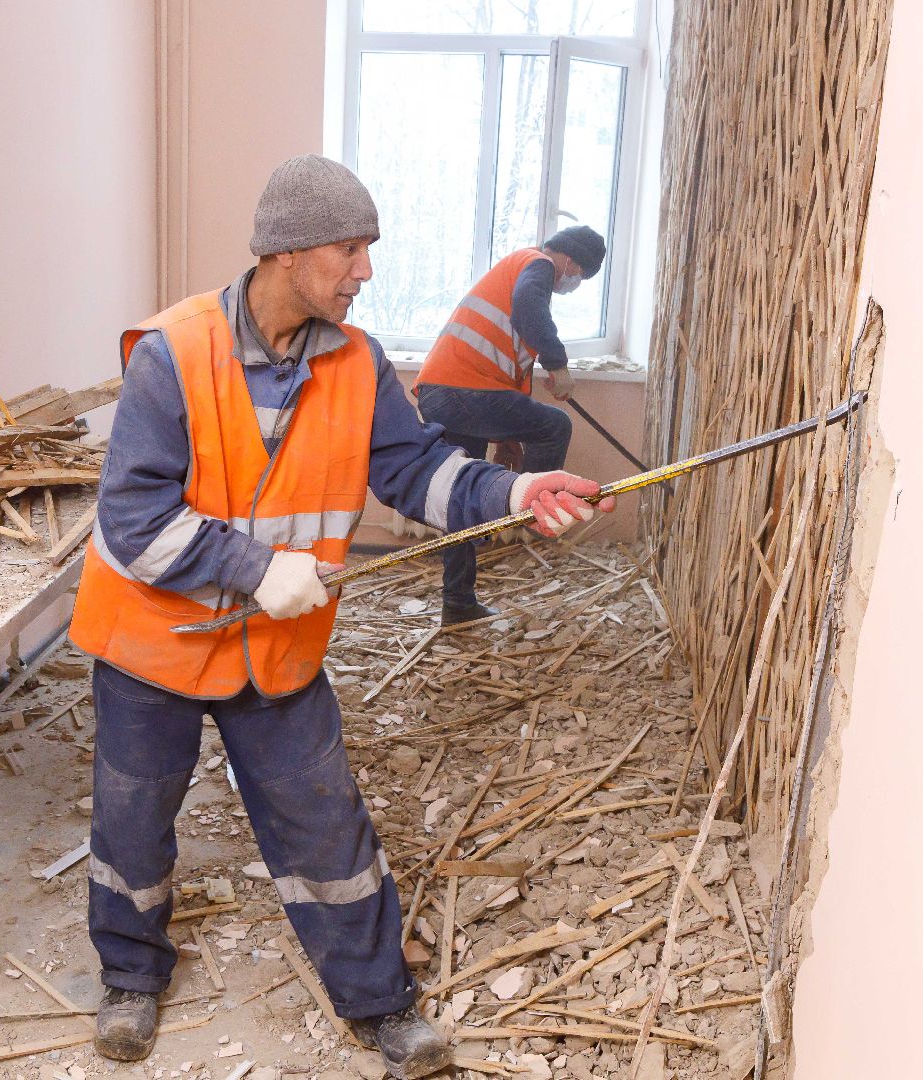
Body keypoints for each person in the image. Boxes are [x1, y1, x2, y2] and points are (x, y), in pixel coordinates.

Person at [67, 155, 615, 1079]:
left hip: (274, 651)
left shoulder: (357, 364)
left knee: (325, 823)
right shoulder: (174, 354)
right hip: (152, 647)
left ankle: (379, 1000)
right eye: (350, 250)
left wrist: (518, 490)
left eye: (369, 249)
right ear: (287, 251)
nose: (365, 271)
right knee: (133, 819)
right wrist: (254, 568)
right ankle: (129, 976)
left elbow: (417, 471)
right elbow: (134, 519)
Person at [412, 226, 608, 625]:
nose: (574, 281)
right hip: (463, 391)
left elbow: (505, 371)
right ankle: (535, 509)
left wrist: (506, 438)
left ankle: (458, 603)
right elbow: (528, 310)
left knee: (459, 495)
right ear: (569, 259)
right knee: (555, 426)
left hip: (446, 392)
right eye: (579, 273)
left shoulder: (516, 271)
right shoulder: (537, 263)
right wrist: (558, 364)